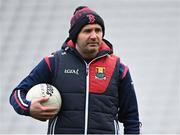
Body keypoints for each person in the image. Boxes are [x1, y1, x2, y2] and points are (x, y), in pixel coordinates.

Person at [9, 6, 141, 134]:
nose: (94, 36)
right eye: (87, 31)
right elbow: (18, 93)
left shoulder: (119, 69)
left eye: (98, 30)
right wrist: (28, 107)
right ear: (75, 35)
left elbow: (132, 119)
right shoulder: (54, 62)